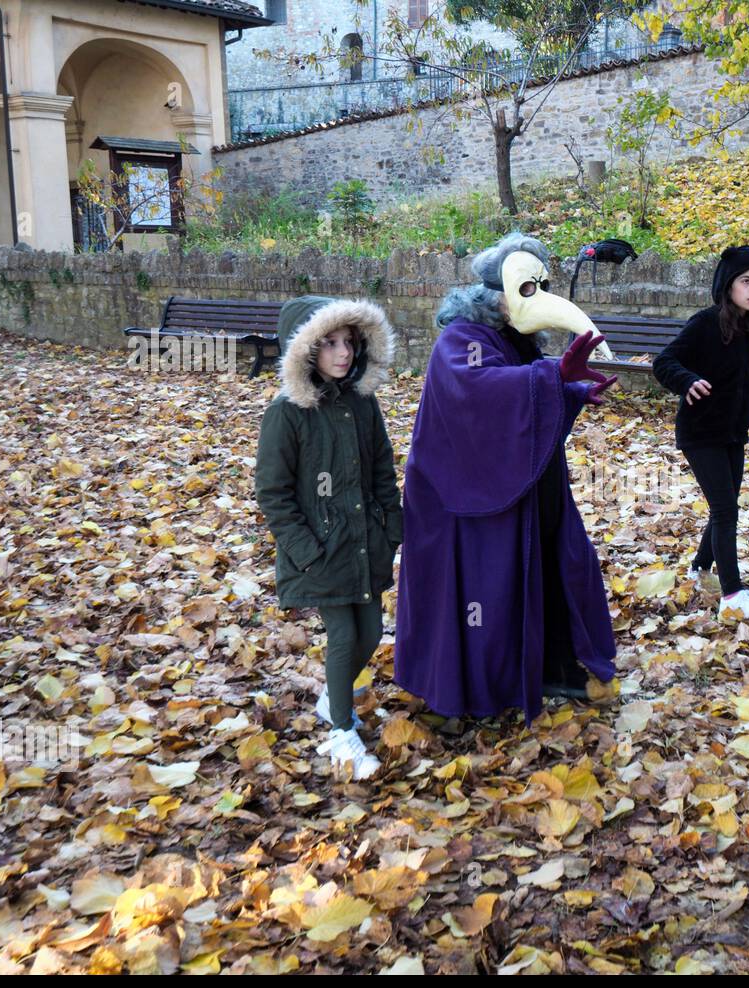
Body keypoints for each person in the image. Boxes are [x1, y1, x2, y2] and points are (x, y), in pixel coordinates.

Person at [393, 231, 618, 723]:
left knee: (545, 569)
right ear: (493, 292)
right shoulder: (462, 341)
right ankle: (471, 686)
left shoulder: (511, 342)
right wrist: (555, 376)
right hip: (460, 501)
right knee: (482, 593)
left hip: (517, 491)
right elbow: (479, 393)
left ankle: (546, 668)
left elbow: (525, 395)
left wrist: (572, 390)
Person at [254, 295, 402, 780]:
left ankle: (331, 697)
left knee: (372, 632)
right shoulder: (287, 413)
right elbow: (273, 492)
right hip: (321, 549)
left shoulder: (362, 402)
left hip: (364, 540)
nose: (343, 353)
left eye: (350, 343)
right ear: (306, 350)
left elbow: (381, 467)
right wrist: (305, 550)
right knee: (342, 636)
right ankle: (341, 732)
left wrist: (391, 523)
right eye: (330, 344)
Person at [652, 245, 749, 621]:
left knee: (724, 508)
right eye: (746, 281)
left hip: (731, 433)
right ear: (728, 286)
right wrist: (687, 380)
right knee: (726, 512)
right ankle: (732, 596)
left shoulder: (747, 328)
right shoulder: (705, 323)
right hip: (701, 431)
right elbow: (665, 362)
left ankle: (699, 568)